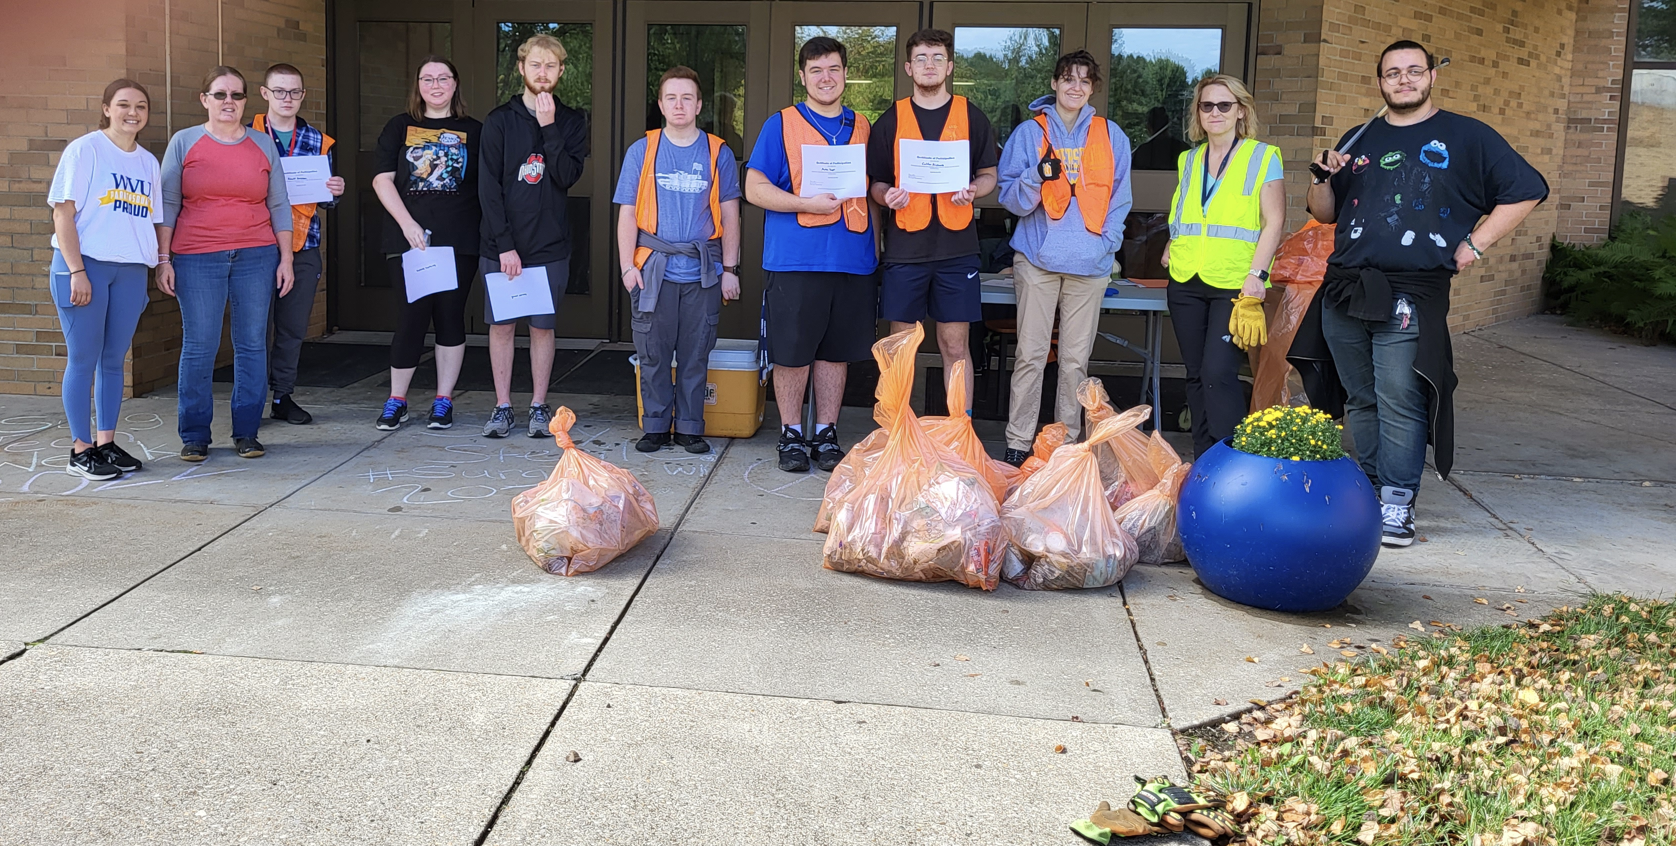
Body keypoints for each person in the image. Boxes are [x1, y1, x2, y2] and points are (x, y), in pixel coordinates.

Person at [1303, 40, 1545, 547]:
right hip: (1345, 287)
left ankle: (1397, 502)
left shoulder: (1467, 136)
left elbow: (1528, 188)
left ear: (1433, 76)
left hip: (1410, 289)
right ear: (1380, 82)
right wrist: (1322, 177)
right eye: (1393, 73)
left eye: (1415, 71)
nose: (1404, 80)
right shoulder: (1359, 136)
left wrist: (1476, 244)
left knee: (1399, 395)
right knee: (1360, 397)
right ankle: (1368, 491)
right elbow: (1325, 212)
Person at [745, 36, 878, 473]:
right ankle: (791, 435)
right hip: (796, 258)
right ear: (802, 77)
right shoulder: (780, 124)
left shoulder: (862, 126)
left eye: (834, 69)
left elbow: (875, 191)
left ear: (845, 75)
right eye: (816, 70)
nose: (826, 78)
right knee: (792, 351)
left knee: (835, 352)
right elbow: (755, 188)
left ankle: (825, 433)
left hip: (853, 259)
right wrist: (805, 203)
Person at [996, 50, 1134, 467]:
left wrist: (1105, 245)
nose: (1075, 87)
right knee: (1030, 356)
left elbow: (1120, 199)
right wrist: (1036, 176)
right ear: (1054, 83)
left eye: (1084, 81)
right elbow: (1009, 200)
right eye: (1068, 79)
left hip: (1089, 267)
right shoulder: (1028, 133)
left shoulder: (1112, 136)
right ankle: (1019, 441)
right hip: (1037, 262)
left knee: (1076, 360)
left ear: (1092, 89)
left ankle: (1067, 443)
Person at [157, 66, 293, 461]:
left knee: (251, 345)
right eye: (220, 95)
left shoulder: (263, 145)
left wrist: (285, 258)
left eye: (236, 95)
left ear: (247, 101)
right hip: (196, 256)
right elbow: (167, 204)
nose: (229, 102)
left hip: (257, 254)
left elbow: (279, 204)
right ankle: (195, 434)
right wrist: (163, 259)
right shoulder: (185, 142)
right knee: (200, 345)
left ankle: (247, 432)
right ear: (205, 100)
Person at [865, 28, 1000, 406]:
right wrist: (886, 195)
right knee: (900, 347)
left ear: (949, 67)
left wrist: (976, 190)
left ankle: (960, 431)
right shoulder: (891, 119)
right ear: (909, 67)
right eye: (921, 58)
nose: (929, 65)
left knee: (954, 345)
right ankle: (896, 434)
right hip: (906, 249)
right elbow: (875, 183)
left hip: (957, 251)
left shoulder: (971, 115)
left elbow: (989, 174)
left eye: (937, 58)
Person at [614, 66, 742, 455]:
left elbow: (732, 213)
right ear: (660, 104)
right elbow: (627, 213)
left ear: (699, 104)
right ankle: (654, 426)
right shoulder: (643, 150)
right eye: (671, 98)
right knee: (652, 353)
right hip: (652, 269)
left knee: (695, 352)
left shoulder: (718, 151)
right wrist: (626, 267)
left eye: (687, 97)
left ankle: (689, 427)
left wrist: (730, 270)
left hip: (703, 270)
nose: (679, 105)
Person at [1162, 73, 1285, 458]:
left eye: (1224, 105)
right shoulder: (1189, 159)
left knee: (1219, 372)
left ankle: (1230, 460)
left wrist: (1257, 276)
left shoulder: (1264, 156)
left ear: (1241, 111)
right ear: (1197, 113)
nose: (1214, 112)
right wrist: (1171, 244)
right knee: (1196, 374)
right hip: (1186, 278)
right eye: (1206, 105)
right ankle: (1203, 459)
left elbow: (1275, 221)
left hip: (1234, 282)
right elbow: (1189, 213)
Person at [46, 79, 161, 480]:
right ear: (107, 108)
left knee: (114, 361)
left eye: (141, 106)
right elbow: (63, 214)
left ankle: (106, 443)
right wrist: (77, 270)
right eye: (124, 104)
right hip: (84, 266)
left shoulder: (148, 162)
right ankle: (80, 450)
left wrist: (160, 262)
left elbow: (154, 219)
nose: (133, 112)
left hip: (129, 269)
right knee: (83, 359)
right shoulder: (85, 150)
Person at [477, 34, 589, 439]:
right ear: (522, 68)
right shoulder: (499, 121)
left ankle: (539, 406)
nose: (543, 73)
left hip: (549, 245)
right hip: (501, 245)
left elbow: (567, 175)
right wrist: (505, 245)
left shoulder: (573, 121)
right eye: (536, 65)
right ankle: (503, 406)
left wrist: (549, 127)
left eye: (551, 66)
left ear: (561, 72)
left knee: (542, 327)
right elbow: (488, 189)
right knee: (503, 326)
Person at [371, 56, 482, 431]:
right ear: (417, 85)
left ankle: (443, 400)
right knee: (411, 317)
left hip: (458, 240)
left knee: (450, 317)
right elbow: (382, 180)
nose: (435, 85)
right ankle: (396, 400)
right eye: (427, 79)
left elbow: (489, 187)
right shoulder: (399, 126)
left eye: (443, 78)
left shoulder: (475, 130)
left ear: (455, 83)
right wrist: (408, 225)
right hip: (408, 241)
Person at [253, 62, 343, 426]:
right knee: (255, 328)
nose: (287, 98)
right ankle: (252, 400)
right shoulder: (247, 136)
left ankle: (283, 396)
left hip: (304, 246)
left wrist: (334, 191)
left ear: (303, 95)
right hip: (256, 244)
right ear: (265, 94)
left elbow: (326, 200)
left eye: (294, 92)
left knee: (292, 328)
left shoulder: (319, 141)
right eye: (279, 91)